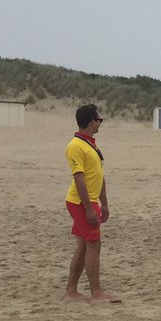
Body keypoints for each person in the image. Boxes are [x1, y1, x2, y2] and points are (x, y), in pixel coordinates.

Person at [64, 104, 118, 303]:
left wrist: (104, 204)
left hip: (91, 200)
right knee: (94, 244)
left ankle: (71, 291)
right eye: (99, 120)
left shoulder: (91, 145)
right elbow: (79, 179)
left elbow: (99, 176)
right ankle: (96, 293)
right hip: (80, 202)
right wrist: (88, 208)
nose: (100, 123)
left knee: (83, 245)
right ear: (91, 121)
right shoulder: (75, 146)